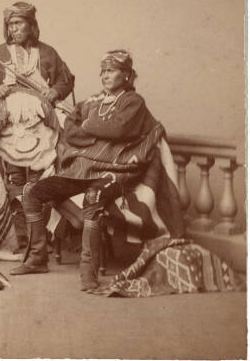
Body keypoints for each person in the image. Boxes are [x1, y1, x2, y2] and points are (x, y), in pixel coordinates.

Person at [15, 50, 165, 291]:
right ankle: (36, 259)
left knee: (93, 197)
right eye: (103, 71)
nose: (105, 76)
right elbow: (70, 129)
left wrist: (88, 128)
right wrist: (97, 133)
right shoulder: (92, 102)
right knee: (32, 191)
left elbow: (118, 130)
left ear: (127, 75)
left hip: (117, 170)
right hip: (84, 168)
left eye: (111, 71)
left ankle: (88, 273)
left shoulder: (133, 102)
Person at [0, 1, 74, 253]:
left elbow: (66, 81)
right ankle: (19, 238)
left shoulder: (48, 53)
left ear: (31, 25)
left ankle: (41, 238)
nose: (14, 29)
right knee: (15, 179)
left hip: (41, 124)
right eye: (10, 24)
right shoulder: (0, 52)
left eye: (19, 23)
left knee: (40, 179)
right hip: (9, 125)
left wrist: (54, 91)